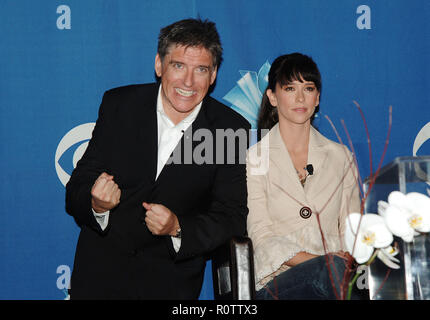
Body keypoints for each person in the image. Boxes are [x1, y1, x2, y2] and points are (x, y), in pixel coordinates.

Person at [65, 18, 250, 299]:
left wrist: (178, 228)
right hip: (99, 279)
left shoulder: (228, 129)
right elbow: (77, 185)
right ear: (159, 65)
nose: (188, 82)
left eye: (200, 69)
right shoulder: (120, 105)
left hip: (170, 285)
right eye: (178, 66)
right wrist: (96, 203)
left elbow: (231, 218)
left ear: (213, 76)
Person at [246, 53, 361, 300]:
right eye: (290, 88)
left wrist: (347, 257)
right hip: (277, 283)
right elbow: (261, 237)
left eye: (308, 88)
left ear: (317, 97)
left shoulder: (341, 157)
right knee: (330, 271)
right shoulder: (254, 159)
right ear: (272, 97)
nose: (300, 98)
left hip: (337, 279)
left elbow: (354, 230)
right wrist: (322, 261)